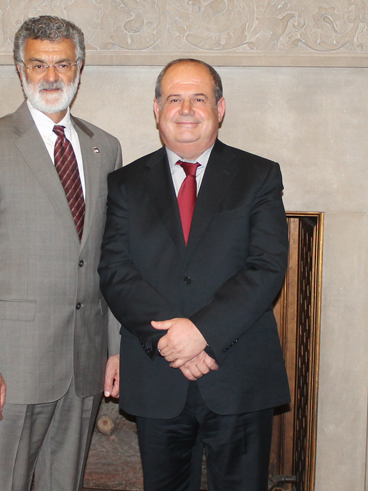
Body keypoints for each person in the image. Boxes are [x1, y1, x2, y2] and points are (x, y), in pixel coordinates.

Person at [98, 58, 290, 491]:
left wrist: (201, 332)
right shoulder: (125, 184)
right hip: (158, 376)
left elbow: (266, 266)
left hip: (238, 377)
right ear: (156, 109)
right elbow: (115, 270)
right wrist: (174, 341)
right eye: (174, 99)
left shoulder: (258, 175)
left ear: (219, 108)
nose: (186, 109)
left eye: (199, 98)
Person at [0, 15, 121, 491]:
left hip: (84, 362)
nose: (51, 76)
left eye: (62, 64)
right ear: (20, 69)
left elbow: (109, 259)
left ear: (79, 69)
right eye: (39, 64)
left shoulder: (104, 148)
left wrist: (115, 348)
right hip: (12, 366)